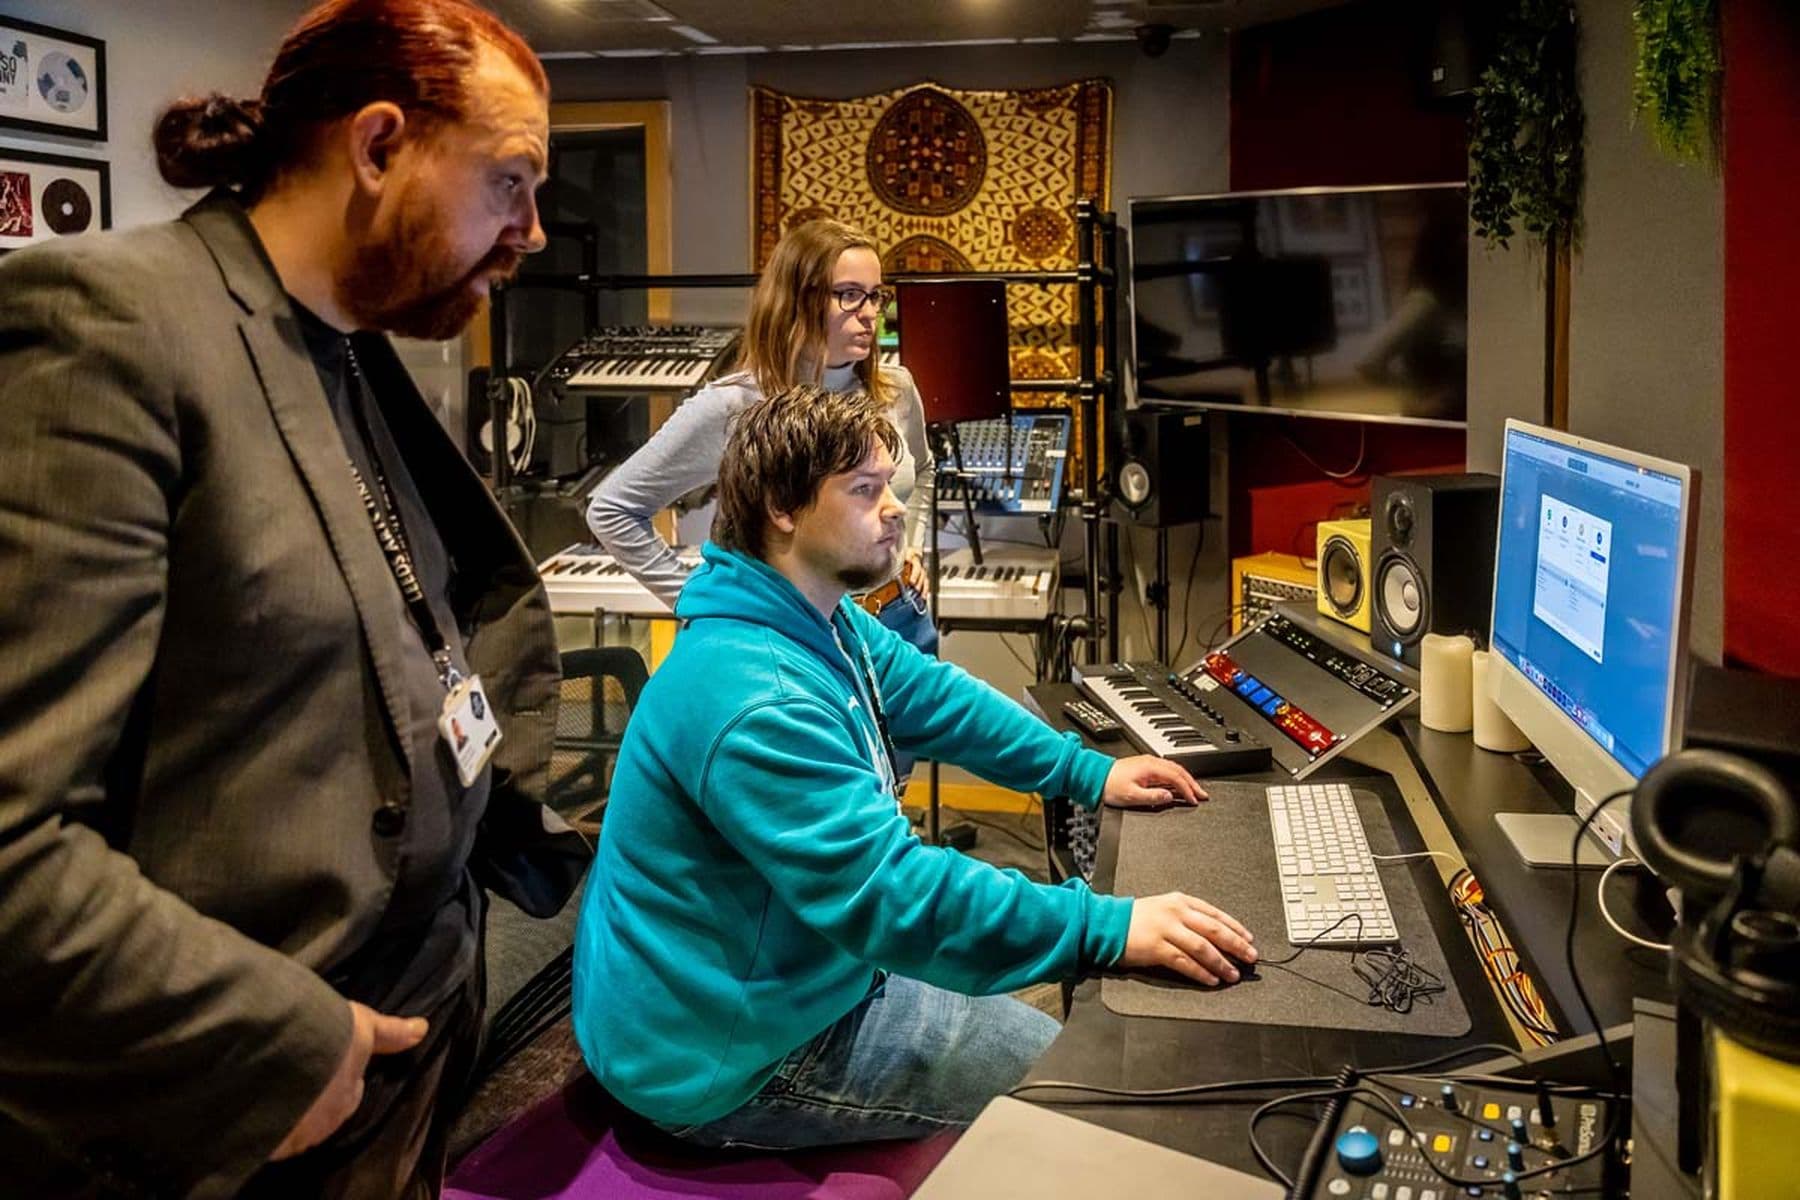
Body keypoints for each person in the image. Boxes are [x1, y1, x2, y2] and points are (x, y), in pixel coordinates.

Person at [0, 2, 589, 1196]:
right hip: (248, 1107)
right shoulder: (110, 325)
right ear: (378, 147)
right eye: (510, 182)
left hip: (415, 1033)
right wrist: (273, 1047)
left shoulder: (350, 343)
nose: (530, 231)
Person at [571, 385, 1257, 1150]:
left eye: (890, 488)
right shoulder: (756, 697)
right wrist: (1105, 924)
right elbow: (892, 893)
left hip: (795, 983)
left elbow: (935, 697)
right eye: (865, 491)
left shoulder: (817, 620)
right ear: (781, 508)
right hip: (732, 1057)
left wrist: (1085, 771)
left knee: (1075, 1047)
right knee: (1087, 1090)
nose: (895, 509)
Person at [584, 218, 939, 669]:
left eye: (876, 296)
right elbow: (611, 509)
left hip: (900, 623)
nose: (870, 313)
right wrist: (701, 602)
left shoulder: (896, 389)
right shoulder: (734, 405)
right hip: (790, 640)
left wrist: (910, 544)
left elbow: (922, 471)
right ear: (799, 299)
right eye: (850, 295)